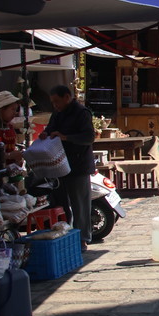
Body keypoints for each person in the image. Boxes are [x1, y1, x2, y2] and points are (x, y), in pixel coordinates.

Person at [43, 85, 95, 251]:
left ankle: (82, 239)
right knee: (61, 203)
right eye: (53, 102)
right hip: (59, 165)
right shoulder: (57, 113)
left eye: (57, 101)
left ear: (67, 97)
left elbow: (89, 137)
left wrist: (65, 137)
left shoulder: (81, 112)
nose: (55, 105)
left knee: (80, 204)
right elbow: (50, 129)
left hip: (78, 165)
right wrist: (46, 134)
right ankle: (65, 236)